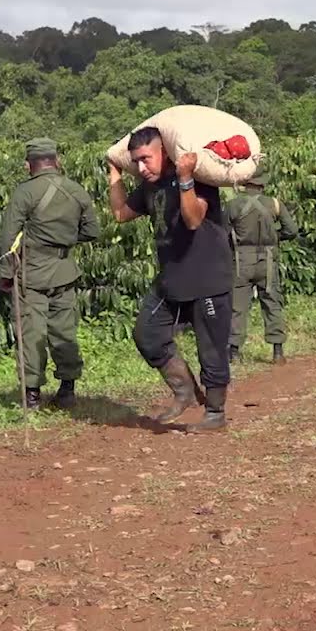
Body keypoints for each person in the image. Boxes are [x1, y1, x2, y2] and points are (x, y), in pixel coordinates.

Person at [107, 127, 233, 433]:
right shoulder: (150, 186)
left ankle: (215, 413)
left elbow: (193, 220)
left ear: (164, 151)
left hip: (207, 277)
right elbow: (121, 214)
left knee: (211, 348)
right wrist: (114, 174)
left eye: (146, 159)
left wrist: (186, 177)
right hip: (171, 278)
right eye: (135, 161)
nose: (141, 167)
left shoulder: (200, 181)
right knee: (147, 333)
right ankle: (184, 390)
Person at [0, 137, 100, 409]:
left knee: (31, 333)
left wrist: (6, 273)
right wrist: (63, 239)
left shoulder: (25, 192)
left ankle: (32, 395)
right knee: (64, 331)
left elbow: (7, 236)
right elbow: (92, 231)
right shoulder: (76, 190)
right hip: (65, 272)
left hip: (32, 274)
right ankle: (67, 389)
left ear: (29, 164)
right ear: (56, 161)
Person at [224, 172, 298, 364]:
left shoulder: (233, 205)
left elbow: (221, 233)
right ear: (262, 185)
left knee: (237, 307)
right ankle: (278, 352)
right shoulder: (274, 203)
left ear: (244, 184)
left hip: (241, 261)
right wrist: (274, 238)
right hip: (268, 259)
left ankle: (234, 352)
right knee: (272, 303)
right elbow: (292, 231)